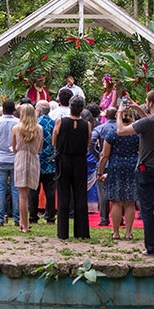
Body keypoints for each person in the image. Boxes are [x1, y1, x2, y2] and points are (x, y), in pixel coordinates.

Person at [116, 90, 154, 256]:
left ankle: (151, 248)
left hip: (145, 170)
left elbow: (121, 131)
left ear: (150, 103)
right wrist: (138, 109)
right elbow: (151, 120)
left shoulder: (147, 124)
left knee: (147, 210)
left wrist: (120, 113)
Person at [97, 107, 140, 240]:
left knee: (116, 201)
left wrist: (100, 171)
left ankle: (115, 232)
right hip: (132, 167)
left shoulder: (112, 133)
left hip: (115, 166)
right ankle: (128, 232)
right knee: (130, 201)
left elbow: (105, 155)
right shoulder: (136, 134)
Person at [54, 96, 92, 240]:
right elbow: (88, 142)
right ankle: (81, 231)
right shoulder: (86, 124)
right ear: (82, 108)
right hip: (80, 160)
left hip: (64, 160)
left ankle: (63, 232)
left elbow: (54, 141)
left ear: (70, 106)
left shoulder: (61, 122)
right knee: (80, 195)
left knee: (64, 195)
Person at [11, 103, 43, 233]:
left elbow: (14, 148)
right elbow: (40, 148)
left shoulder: (16, 128)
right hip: (34, 159)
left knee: (22, 195)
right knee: (28, 193)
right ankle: (26, 223)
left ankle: (23, 223)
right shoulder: (39, 129)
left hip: (20, 158)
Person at [0, 98, 20, 226]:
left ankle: (0, 217)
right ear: (14, 110)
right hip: (15, 158)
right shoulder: (18, 123)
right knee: (16, 189)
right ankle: (18, 218)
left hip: (0, 158)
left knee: (0, 189)